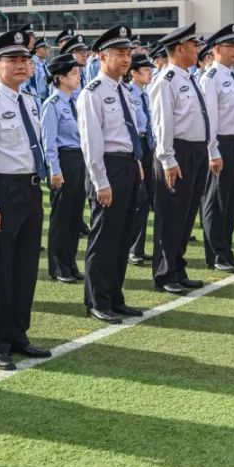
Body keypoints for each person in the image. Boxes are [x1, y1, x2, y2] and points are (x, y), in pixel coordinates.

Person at [0, 29, 52, 370]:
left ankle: (19, 333)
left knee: (25, 267)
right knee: (0, 269)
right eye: (13, 60)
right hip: (3, 189)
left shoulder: (30, 101)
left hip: (30, 188)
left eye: (24, 60)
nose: (21, 66)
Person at [77, 25, 144, 323]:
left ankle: (115, 296)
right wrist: (100, 181)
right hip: (107, 168)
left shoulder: (124, 90)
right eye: (119, 53)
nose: (126, 58)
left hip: (128, 165)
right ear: (103, 56)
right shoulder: (92, 93)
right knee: (104, 238)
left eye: (128, 53)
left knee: (123, 235)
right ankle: (97, 300)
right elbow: (92, 144)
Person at [149, 23, 214, 294]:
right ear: (179, 49)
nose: (197, 49)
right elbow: (162, 123)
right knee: (171, 215)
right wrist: (167, 159)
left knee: (187, 215)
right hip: (177, 153)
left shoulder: (189, 77)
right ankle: (165, 273)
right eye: (193, 45)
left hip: (196, 151)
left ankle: (178, 267)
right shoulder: (166, 81)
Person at [198, 24, 234, 273]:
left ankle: (226, 250)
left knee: (231, 202)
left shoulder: (230, 74)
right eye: (231, 46)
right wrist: (212, 151)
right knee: (216, 202)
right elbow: (209, 119)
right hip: (221, 144)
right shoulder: (211, 77)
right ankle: (215, 254)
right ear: (217, 49)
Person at [40, 53, 85, 284]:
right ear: (60, 78)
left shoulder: (75, 101)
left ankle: (70, 263)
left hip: (78, 159)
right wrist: (54, 170)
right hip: (63, 161)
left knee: (75, 216)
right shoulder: (52, 104)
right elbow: (49, 142)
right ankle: (58, 266)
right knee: (61, 217)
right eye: (74, 73)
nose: (78, 77)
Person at [126, 53, 156, 267]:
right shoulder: (128, 94)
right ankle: (130, 248)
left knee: (146, 200)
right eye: (145, 70)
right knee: (138, 199)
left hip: (148, 145)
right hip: (136, 146)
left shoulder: (144, 94)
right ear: (133, 73)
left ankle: (138, 247)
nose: (149, 74)